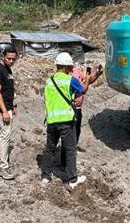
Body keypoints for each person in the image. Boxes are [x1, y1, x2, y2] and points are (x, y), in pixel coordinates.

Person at [40, 52, 87, 190]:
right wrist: (87, 79)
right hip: (66, 120)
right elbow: (82, 90)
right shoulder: (69, 80)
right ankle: (72, 179)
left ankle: (45, 176)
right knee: (70, 149)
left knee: (50, 148)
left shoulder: (49, 81)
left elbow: (47, 100)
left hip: (51, 120)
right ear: (68, 67)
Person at [59, 62, 103, 167]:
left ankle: (70, 157)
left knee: (76, 133)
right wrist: (87, 80)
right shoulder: (67, 75)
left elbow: (87, 81)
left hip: (78, 109)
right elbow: (83, 89)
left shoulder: (76, 70)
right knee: (69, 136)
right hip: (70, 109)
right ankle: (65, 162)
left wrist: (96, 74)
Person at [0, 46, 18, 180]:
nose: (11, 61)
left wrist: (12, 105)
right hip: (1, 109)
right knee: (5, 136)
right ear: (3, 57)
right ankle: (3, 166)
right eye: (9, 58)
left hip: (7, 107)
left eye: (14, 59)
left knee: (0, 135)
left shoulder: (7, 69)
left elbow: (7, 90)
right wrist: (4, 111)